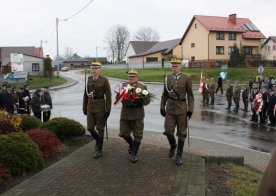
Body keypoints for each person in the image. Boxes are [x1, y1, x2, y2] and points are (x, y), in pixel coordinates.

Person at [160, 59, 194, 166]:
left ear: (180, 67)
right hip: (170, 108)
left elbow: (190, 95)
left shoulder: (186, 78)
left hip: (182, 109)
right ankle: (173, 145)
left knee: (181, 133)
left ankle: (179, 155)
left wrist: (190, 110)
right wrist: (162, 106)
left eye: (176, 66)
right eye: (173, 66)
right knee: (168, 131)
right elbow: (165, 94)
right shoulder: (167, 79)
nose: (174, 68)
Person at [118, 69, 150, 163]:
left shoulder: (142, 86)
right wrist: (122, 97)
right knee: (123, 133)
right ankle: (131, 144)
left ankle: (134, 153)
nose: (131, 78)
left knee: (138, 135)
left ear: (137, 77)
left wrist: (139, 100)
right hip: (125, 114)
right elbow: (118, 98)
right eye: (129, 76)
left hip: (137, 114)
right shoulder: (123, 85)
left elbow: (147, 101)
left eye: (133, 76)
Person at [83, 61, 111, 159]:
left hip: (100, 107)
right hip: (90, 106)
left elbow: (108, 96)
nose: (94, 70)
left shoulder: (104, 80)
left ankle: (99, 149)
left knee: (100, 128)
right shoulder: (89, 79)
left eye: (96, 68)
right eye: (93, 68)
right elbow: (85, 94)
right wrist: (84, 107)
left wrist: (108, 109)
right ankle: (98, 141)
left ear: (100, 69)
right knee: (90, 128)